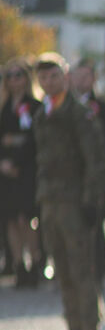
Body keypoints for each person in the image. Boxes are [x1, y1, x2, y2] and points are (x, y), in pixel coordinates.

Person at [32, 52, 105, 330]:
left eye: (54, 76)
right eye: (43, 77)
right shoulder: (42, 114)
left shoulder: (79, 113)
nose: (48, 82)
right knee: (62, 270)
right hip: (50, 201)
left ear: (65, 77)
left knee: (81, 269)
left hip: (75, 201)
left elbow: (95, 161)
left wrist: (92, 202)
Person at [69, 57, 105, 279]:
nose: (81, 80)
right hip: (71, 174)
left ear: (94, 78)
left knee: (96, 215)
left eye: (86, 75)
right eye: (77, 75)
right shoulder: (64, 107)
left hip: (96, 171)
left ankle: (100, 262)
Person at [1, 59, 43, 288]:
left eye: (19, 75)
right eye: (10, 75)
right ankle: (18, 264)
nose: (14, 80)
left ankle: (35, 261)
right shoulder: (3, 107)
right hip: (5, 171)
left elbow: (34, 140)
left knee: (28, 218)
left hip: (27, 171)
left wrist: (15, 151)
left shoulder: (35, 106)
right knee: (11, 219)